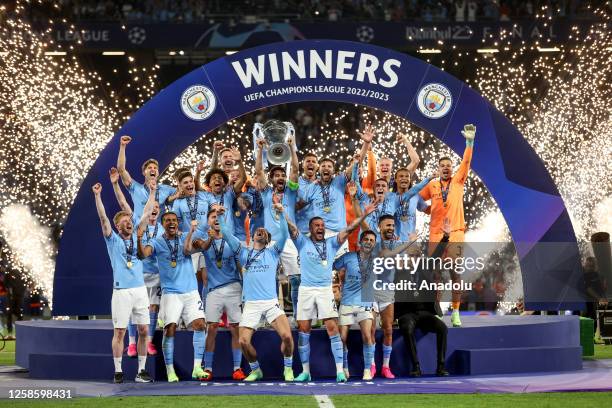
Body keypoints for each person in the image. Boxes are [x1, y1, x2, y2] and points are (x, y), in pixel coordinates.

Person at [287, 203, 377, 383]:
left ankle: (339, 371)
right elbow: (292, 228)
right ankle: (305, 372)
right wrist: (283, 213)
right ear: (310, 228)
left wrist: (365, 215)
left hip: (324, 290)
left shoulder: (332, 243)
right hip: (305, 289)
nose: (320, 227)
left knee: (332, 329)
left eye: (322, 225)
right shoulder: (302, 241)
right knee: (304, 330)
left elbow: (350, 229)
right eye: (316, 225)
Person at [219, 203, 296, 381]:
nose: (260, 231)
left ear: (267, 239)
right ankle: (255, 370)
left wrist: (282, 213)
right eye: (257, 230)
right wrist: (222, 218)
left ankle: (288, 369)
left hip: (271, 303)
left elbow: (285, 234)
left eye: (264, 231)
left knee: (287, 337)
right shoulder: (244, 253)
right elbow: (228, 236)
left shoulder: (274, 252)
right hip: (251, 304)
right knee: (243, 341)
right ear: (253, 236)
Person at [137, 211, 209, 383]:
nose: (171, 223)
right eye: (167, 220)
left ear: (178, 223)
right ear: (162, 224)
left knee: (200, 325)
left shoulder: (186, 236)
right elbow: (143, 254)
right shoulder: (156, 242)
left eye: (174, 220)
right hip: (171, 293)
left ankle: (197, 368)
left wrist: (206, 236)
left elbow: (200, 244)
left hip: (191, 291)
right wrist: (139, 239)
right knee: (170, 329)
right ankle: (170, 371)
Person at [92, 182, 151, 384]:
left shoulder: (137, 235)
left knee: (144, 330)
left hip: (140, 290)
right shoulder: (113, 240)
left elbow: (147, 212)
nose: (129, 223)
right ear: (118, 226)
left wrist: (152, 192)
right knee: (120, 332)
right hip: (121, 292)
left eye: (130, 221)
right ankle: (118, 371)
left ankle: (141, 371)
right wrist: (98, 196)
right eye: (125, 221)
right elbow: (103, 218)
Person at [419, 124, 476, 327]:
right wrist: (428, 210)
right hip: (435, 234)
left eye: (448, 165)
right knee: (436, 274)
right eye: (442, 165)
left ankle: (456, 311)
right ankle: (437, 310)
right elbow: (417, 200)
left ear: (452, 168)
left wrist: (469, 143)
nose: (446, 168)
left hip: (455, 233)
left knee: (454, 272)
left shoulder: (459, 180)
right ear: (438, 168)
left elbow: (467, 161)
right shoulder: (432, 185)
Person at [185, 207, 245, 381]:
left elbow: (241, 267)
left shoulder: (232, 240)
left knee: (235, 328)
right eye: (213, 216)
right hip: (213, 291)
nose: (216, 219)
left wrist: (245, 290)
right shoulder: (201, 240)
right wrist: (208, 236)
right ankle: (208, 368)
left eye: (219, 216)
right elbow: (193, 249)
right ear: (208, 220)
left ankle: (237, 368)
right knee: (211, 328)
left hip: (234, 287)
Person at [110, 167, 163, 357]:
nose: (154, 210)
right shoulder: (137, 225)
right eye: (152, 208)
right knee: (135, 309)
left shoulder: (163, 229)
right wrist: (116, 185)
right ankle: (132, 344)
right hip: (138, 274)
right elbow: (122, 202)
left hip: (155, 274)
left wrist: (154, 192)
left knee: (153, 307)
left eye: (157, 208)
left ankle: (148, 342)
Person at [393, 219, 451, 377]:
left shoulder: (425, 267)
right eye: (411, 255)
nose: (415, 258)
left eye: (417, 255)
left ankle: (441, 367)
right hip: (407, 313)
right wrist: (405, 243)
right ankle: (416, 366)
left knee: (442, 328)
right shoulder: (399, 271)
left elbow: (437, 255)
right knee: (407, 327)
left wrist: (445, 237)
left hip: (425, 313)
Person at [254, 134, 300, 304]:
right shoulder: (266, 193)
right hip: (270, 241)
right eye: (276, 175)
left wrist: (292, 147)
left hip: (289, 240)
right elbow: (259, 171)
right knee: (269, 277)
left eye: (282, 175)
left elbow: (295, 169)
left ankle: (297, 315)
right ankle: (272, 311)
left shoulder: (291, 191)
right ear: (272, 179)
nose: (280, 177)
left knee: (295, 278)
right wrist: (260, 149)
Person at [333, 230, 377, 380]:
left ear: (374, 244)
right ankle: (344, 367)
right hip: (346, 302)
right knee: (342, 338)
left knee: (367, 335)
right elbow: (331, 266)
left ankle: (366, 370)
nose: (369, 242)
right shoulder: (348, 257)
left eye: (372, 240)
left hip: (365, 302)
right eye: (366, 239)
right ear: (360, 241)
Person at [116, 135, 176, 221]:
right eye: (149, 168)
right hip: (140, 231)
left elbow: (183, 194)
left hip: (159, 232)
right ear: (144, 172)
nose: (153, 169)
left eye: (155, 168)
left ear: (158, 173)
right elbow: (121, 170)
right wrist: (122, 146)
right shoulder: (135, 188)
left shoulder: (167, 189)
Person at [582, 256, 608, 344]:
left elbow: (601, 289)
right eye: (588, 265)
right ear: (585, 264)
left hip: (592, 302)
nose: (590, 268)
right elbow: (588, 288)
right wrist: (599, 298)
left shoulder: (597, 275)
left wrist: (603, 288)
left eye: (592, 266)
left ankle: (591, 338)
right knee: (583, 319)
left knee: (593, 319)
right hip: (582, 301)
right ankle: (583, 338)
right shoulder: (582, 274)